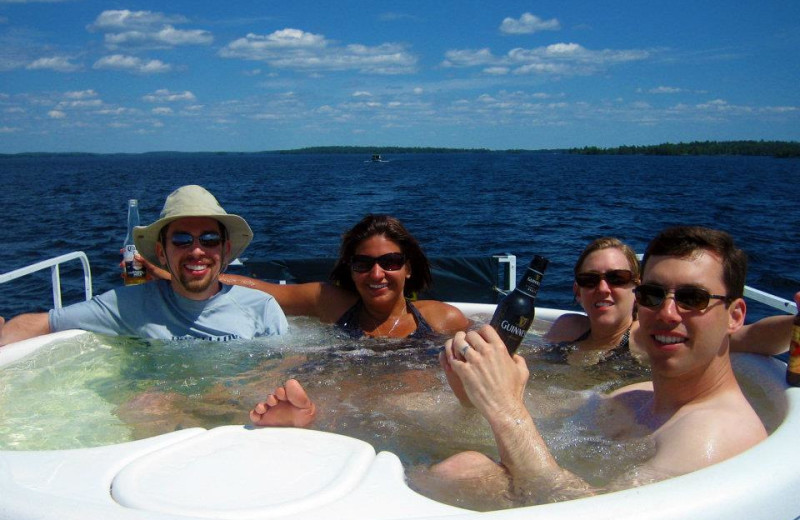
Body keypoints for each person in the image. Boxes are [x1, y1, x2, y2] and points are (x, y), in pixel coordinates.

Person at [416, 226, 769, 508]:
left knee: (459, 471)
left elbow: (597, 514)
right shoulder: (636, 397)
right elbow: (540, 420)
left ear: (735, 316)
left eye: (693, 299)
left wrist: (505, 409)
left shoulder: (714, 432)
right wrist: (473, 396)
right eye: (653, 295)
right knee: (464, 468)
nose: (666, 313)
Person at [0, 184, 288, 346]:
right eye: (182, 239)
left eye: (209, 239)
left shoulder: (261, 308)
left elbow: (281, 371)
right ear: (161, 253)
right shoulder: (126, 305)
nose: (197, 250)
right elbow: (42, 323)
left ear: (225, 250)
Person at [543, 236, 798, 365]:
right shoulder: (567, 328)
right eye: (589, 280)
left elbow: (750, 338)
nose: (603, 288)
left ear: (638, 288)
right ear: (578, 291)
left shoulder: (647, 338)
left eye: (617, 278)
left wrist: (797, 324)